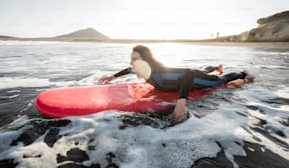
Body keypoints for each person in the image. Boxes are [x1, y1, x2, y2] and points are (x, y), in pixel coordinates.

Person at [99, 45, 254, 121]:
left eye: (134, 59)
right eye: (131, 59)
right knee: (201, 70)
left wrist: (181, 103)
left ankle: (243, 74)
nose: (131, 63)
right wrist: (112, 77)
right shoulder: (142, 69)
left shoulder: (160, 72)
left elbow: (187, 73)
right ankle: (214, 67)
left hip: (194, 79)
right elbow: (127, 69)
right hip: (187, 76)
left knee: (220, 80)